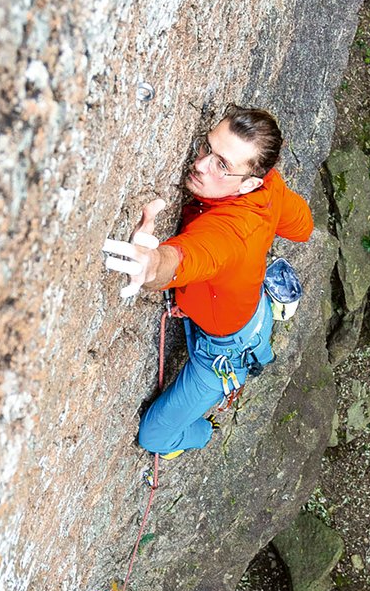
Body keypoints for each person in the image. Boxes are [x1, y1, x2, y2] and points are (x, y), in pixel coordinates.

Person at [101, 106, 313, 462]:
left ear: (249, 183)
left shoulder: (230, 234)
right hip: (241, 308)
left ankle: (202, 432)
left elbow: (190, 256)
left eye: (222, 165)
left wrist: (150, 263)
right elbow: (303, 228)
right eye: (206, 147)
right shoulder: (269, 187)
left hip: (221, 352)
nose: (200, 165)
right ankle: (266, 306)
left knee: (155, 437)